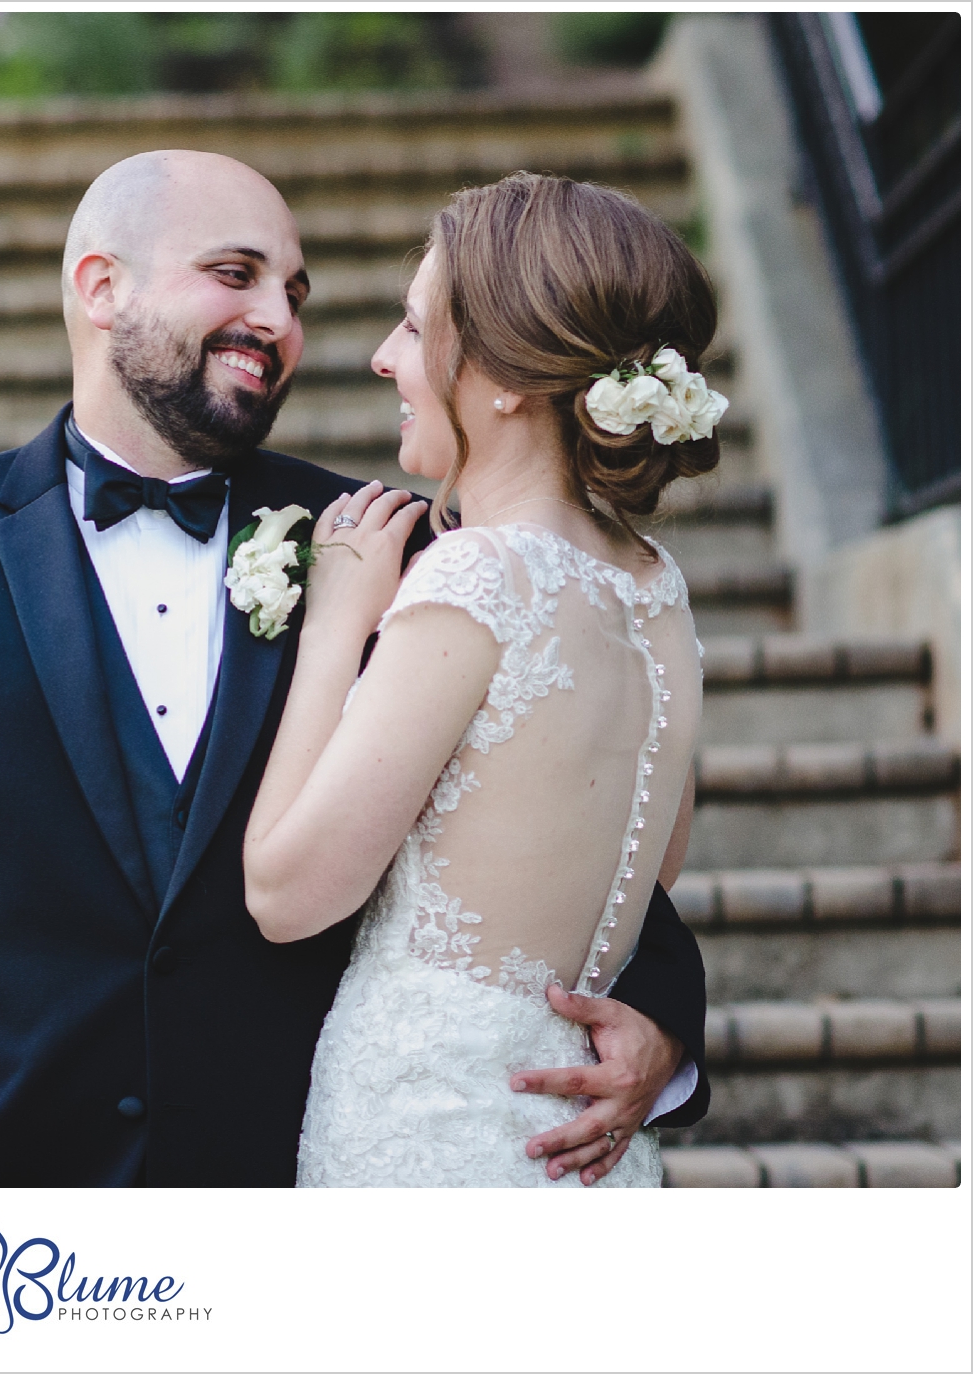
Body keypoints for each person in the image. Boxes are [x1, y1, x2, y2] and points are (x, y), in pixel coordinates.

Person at [0, 151, 709, 1186]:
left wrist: (661, 1025)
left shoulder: (395, 547)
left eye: (295, 294)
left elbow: (567, 804)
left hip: (288, 1185)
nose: (280, 322)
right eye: (235, 273)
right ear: (102, 288)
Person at [244, 172, 721, 1186]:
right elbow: (656, 866)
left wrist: (336, 624)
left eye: (415, 331)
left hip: (428, 1133)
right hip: (580, 1154)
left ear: (505, 377)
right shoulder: (657, 590)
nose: (382, 357)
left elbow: (286, 894)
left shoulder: (479, 575)